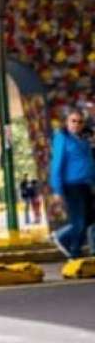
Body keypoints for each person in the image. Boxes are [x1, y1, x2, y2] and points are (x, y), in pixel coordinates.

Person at [49, 108, 95, 258]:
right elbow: (57, 164)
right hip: (72, 186)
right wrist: (57, 190)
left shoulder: (82, 140)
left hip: (86, 185)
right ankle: (74, 252)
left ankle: (62, 237)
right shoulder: (62, 138)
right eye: (73, 121)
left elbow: (88, 163)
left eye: (80, 122)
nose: (76, 124)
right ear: (66, 122)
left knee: (88, 219)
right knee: (80, 221)